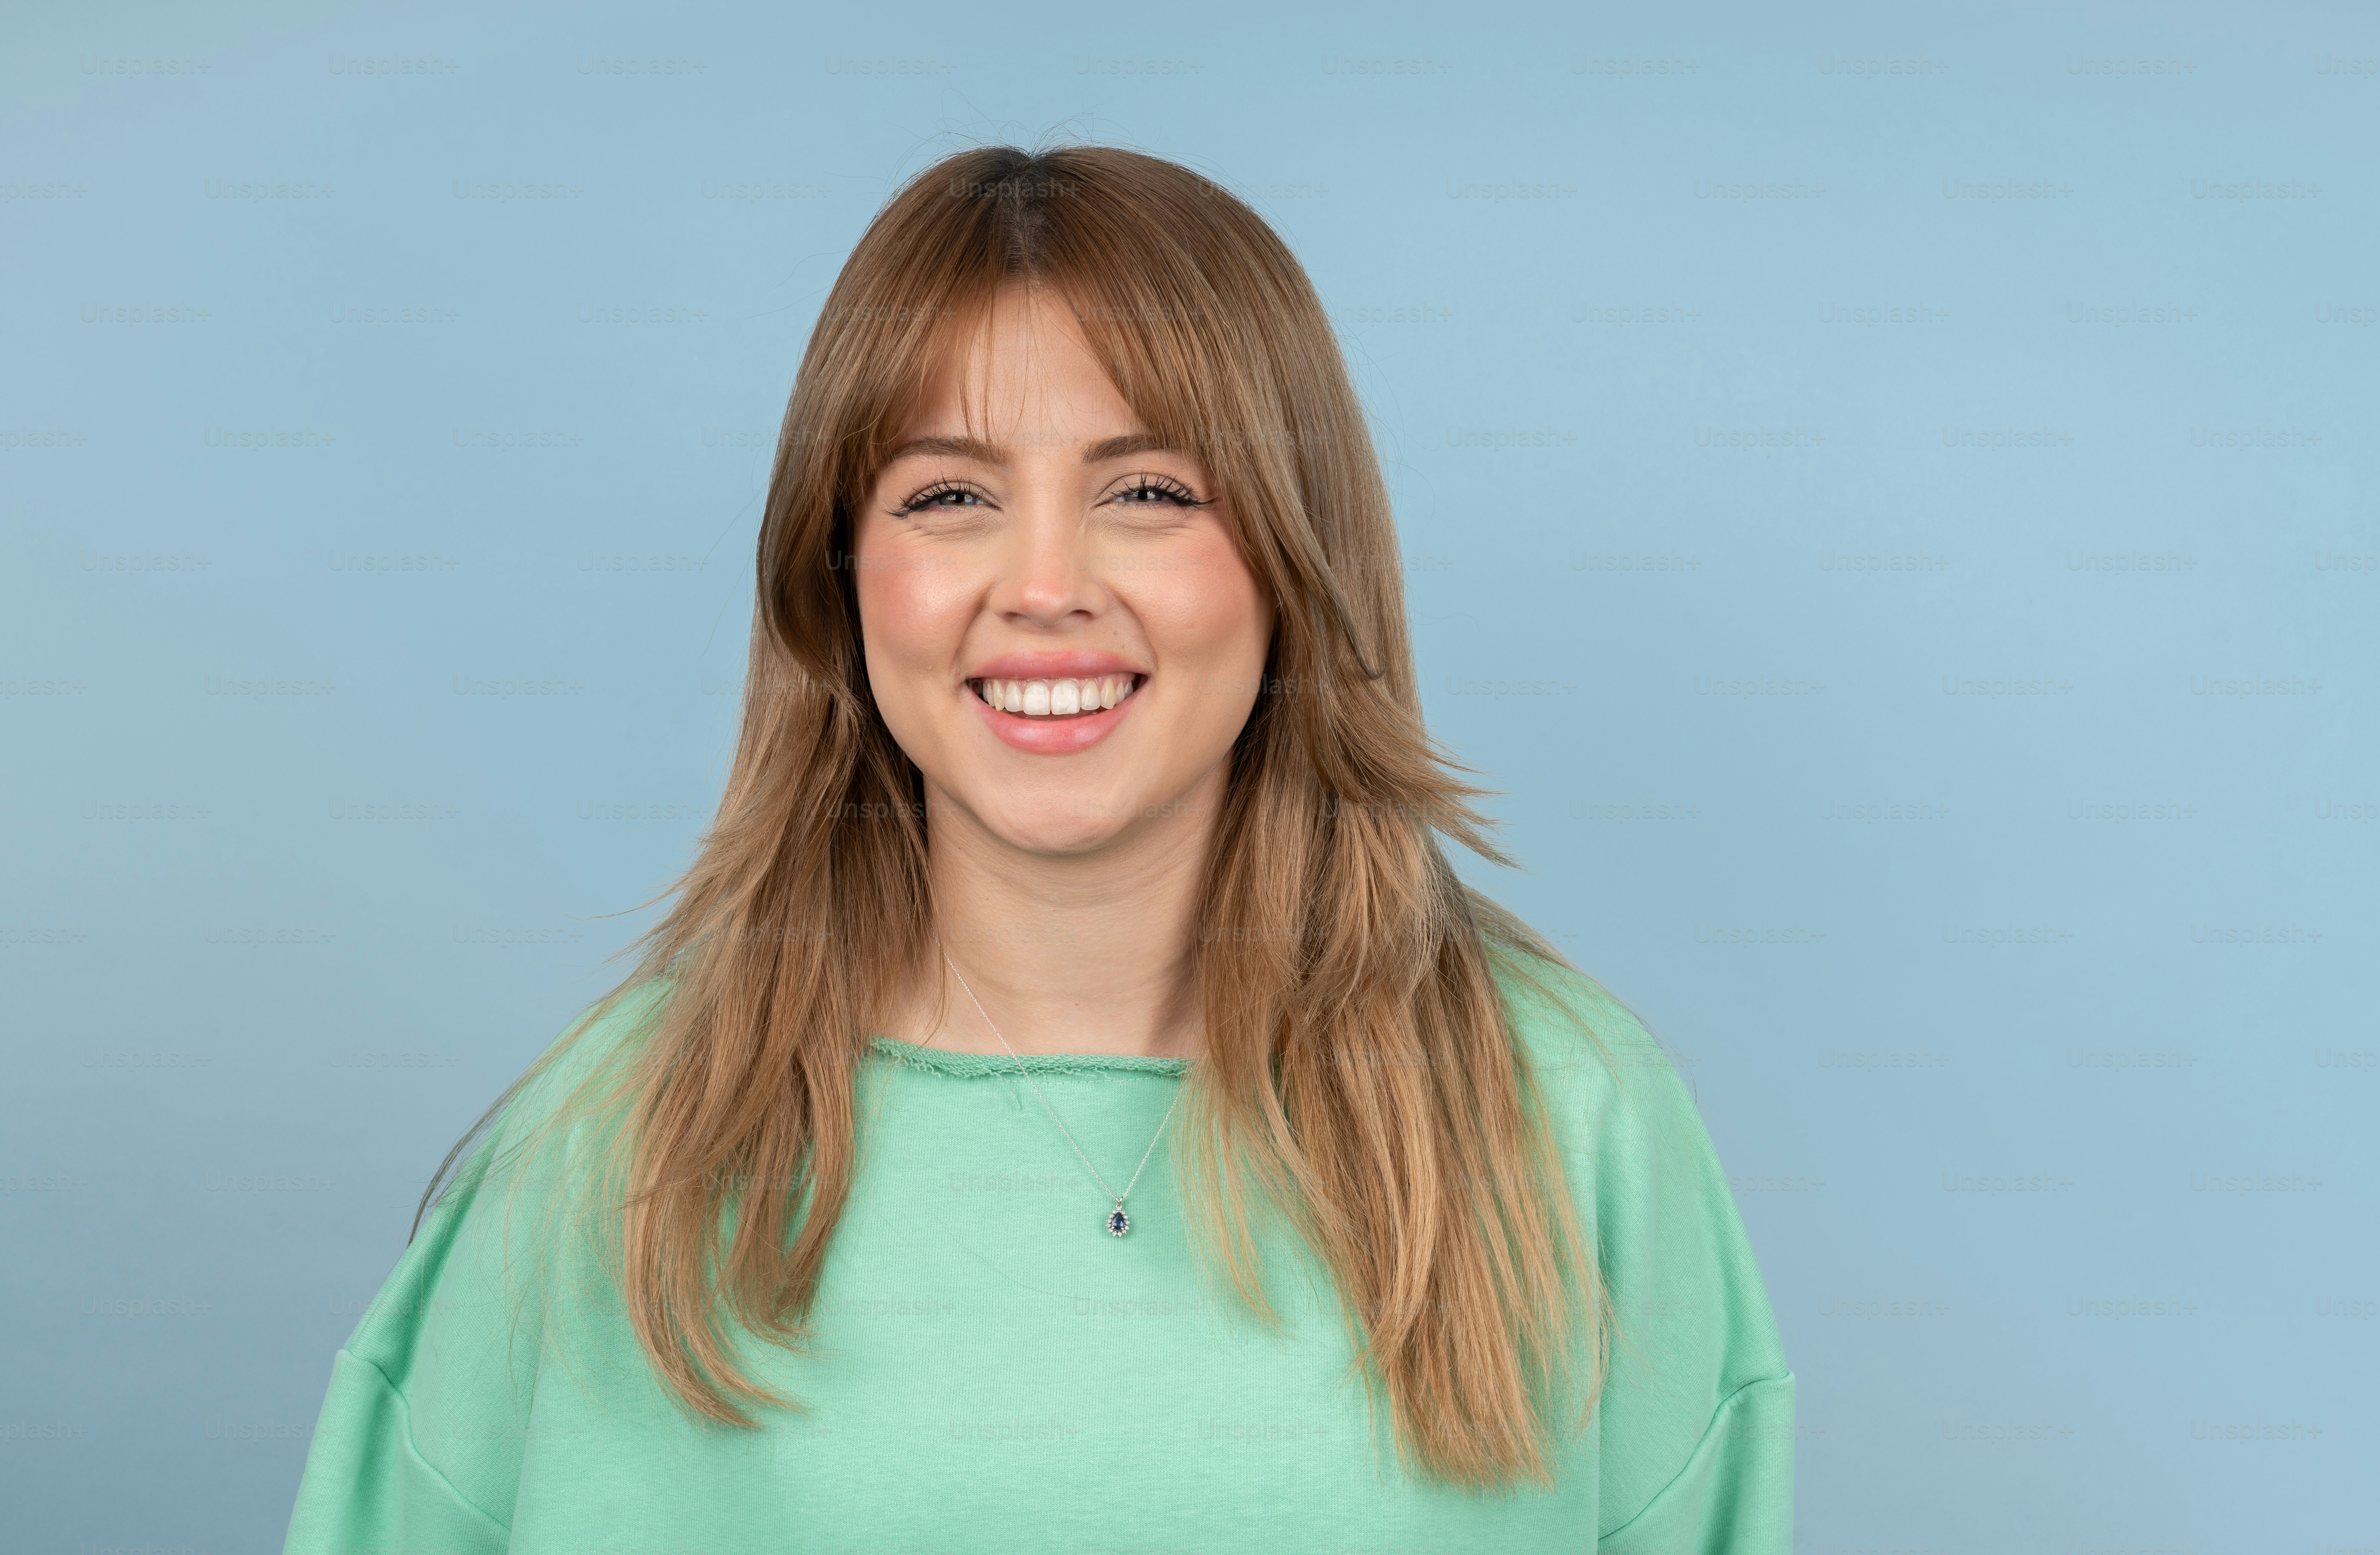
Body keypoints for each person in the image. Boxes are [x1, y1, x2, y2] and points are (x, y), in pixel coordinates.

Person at [281, 144, 1796, 1552]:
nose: (1046, 584)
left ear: (1291, 556)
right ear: (839, 579)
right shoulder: (611, 1147)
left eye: (1150, 491)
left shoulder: (1569, 1118)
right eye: (951, 495)